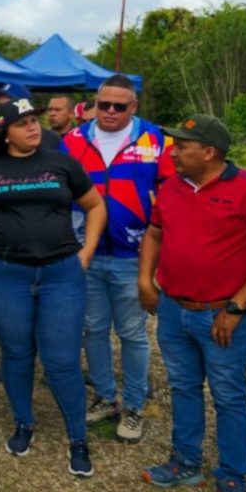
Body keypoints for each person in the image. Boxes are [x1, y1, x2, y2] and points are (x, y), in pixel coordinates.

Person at [139, 114, 246, 492]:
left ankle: (233, 473)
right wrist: (145, 280)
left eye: (182, 145)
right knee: (183, 386)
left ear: (208, 152)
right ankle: (185, 462)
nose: (173, 152)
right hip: (173, 309)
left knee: (228, 394)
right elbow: (155, 233)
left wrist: (236, 308)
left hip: (221, 313)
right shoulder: (171, 187)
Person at [0, 98, 106, 478]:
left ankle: (78, 437)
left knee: (62, 359)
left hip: (61, 274)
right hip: (6, 274)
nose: (33, 127)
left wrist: (87, 253)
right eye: (23, 123)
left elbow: (95, 206)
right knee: (16, 352)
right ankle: (24, 422)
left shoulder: (61, 162)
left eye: (35, 120)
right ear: (5, 132)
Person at [62, 73, 173, 443]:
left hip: (134, 253)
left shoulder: (156, 139)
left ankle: (135, 405)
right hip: (87, 251)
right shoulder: (74, 139)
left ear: (134, 106)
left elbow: (171, 193)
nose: (109, 112)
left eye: (119, 106)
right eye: (103, 104)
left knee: (131, 333)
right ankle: (106, 397)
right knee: (93, 328)